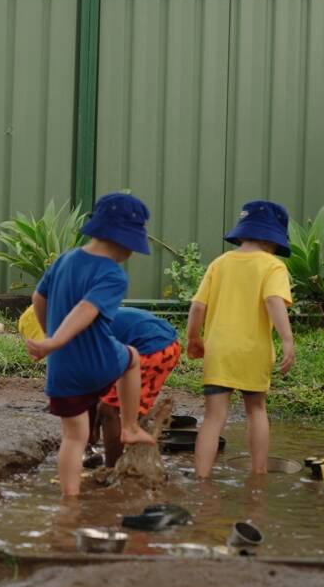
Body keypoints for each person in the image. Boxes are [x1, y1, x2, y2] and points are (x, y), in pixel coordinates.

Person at [24, 192, 157, 496]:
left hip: (63, 371)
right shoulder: (113, 274)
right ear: (125, 241)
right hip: (99, 361)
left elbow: (38, 299)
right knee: (133, 357)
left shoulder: (64, 260)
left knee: (74, 437)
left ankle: (68, 502)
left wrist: (51, 340)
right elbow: (87, 309)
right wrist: (55, 340)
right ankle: (130, 426)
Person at [186, 200, 296, 478]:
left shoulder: (219, 263)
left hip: (218, 350)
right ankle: (258, 475)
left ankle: (201, 477)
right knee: (256, 410)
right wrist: (287, 340)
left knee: (213, 418)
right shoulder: (273, 266)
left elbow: (198, 306)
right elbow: (274, 301)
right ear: (274, 238)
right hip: (253, 351)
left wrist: (193, 338)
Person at [20, 304, 181, 468]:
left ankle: (111, 470)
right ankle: (119, 454)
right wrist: (90, 430)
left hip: (155, 347)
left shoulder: (84, 330)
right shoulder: (76, 328)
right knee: (108, 404)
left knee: (109, 409)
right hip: (153, 342)